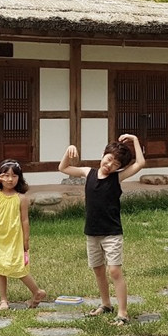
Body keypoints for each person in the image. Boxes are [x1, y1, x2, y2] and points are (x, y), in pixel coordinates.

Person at [59, 134, 145, 325]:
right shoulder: (87, 172)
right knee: (98, 270)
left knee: (114, 271)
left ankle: (123, 312)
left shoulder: (117, 177)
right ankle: (106, 304)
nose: (110, 165)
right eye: (109, 159)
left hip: (112, 232)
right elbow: (63, 168)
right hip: (92, 231)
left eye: (116, 164)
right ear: (104, 154)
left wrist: (135, 140)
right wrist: (69, 150)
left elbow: (140, 163)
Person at [0, 159, 47, 310]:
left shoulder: (21, 198)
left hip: (14, 237)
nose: (9, 179)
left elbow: (25, 220)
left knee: (17, 267)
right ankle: (3, 300)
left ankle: (37, 291)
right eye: (5, 175)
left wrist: (26, 239)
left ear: (20, 177)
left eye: (14, 176)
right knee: (0, 267)